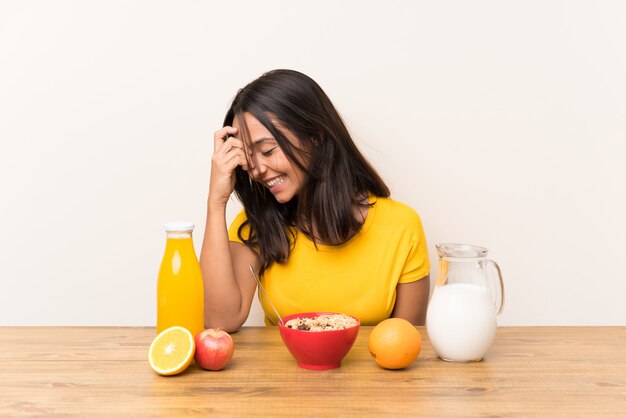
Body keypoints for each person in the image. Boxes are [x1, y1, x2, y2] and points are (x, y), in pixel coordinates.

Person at [200, 69, 430, 333]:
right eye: (249, 157)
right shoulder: (256, 225)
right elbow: (219, 322)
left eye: (267, 150)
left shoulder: (401, 227)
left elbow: (404, 345)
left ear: (316, 137)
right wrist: (216, 201)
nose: (257, 170)